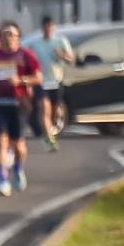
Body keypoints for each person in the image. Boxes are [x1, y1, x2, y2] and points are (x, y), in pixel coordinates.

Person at [0, 20, 41, 196]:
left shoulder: (26, 55)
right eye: (4, 34)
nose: (7, 38)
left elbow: (38, 78)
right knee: (1, 141)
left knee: (18, 145)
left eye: (11, 34)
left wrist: (21, 81)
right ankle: (3, 180)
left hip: (19, 103)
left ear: (18, 38)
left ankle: (18, 168)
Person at [28, 15, 72, 150]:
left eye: (50, 26)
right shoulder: (35, 43)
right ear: (42, 28)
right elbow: (25, 55)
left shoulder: (60, 41)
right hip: (41, 82)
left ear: (53, 27)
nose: (48, 29)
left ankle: (49, 131)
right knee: (44, 110)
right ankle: (49, 139)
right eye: (45, 26)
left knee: (55, 113)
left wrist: (62, 55)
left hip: (56, 81)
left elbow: (70, 60)